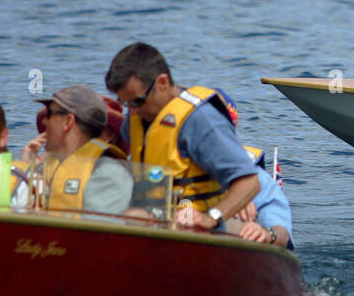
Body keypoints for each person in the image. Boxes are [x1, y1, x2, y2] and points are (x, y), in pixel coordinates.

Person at [105, 42, 293, 247]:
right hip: (160, 229)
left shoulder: (199, 120)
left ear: (162, 82)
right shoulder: (136, 122)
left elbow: (250, 183)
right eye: (125, 104)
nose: (131, 112)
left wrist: (210, 217)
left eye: (137, 102)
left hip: (201, 236)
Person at [19, 85, 135, 213]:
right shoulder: (43, 169)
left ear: (68, 121)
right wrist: (28, 170)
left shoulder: (108, 173)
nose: (44, 122)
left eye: (50, 114)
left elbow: (99, 230)